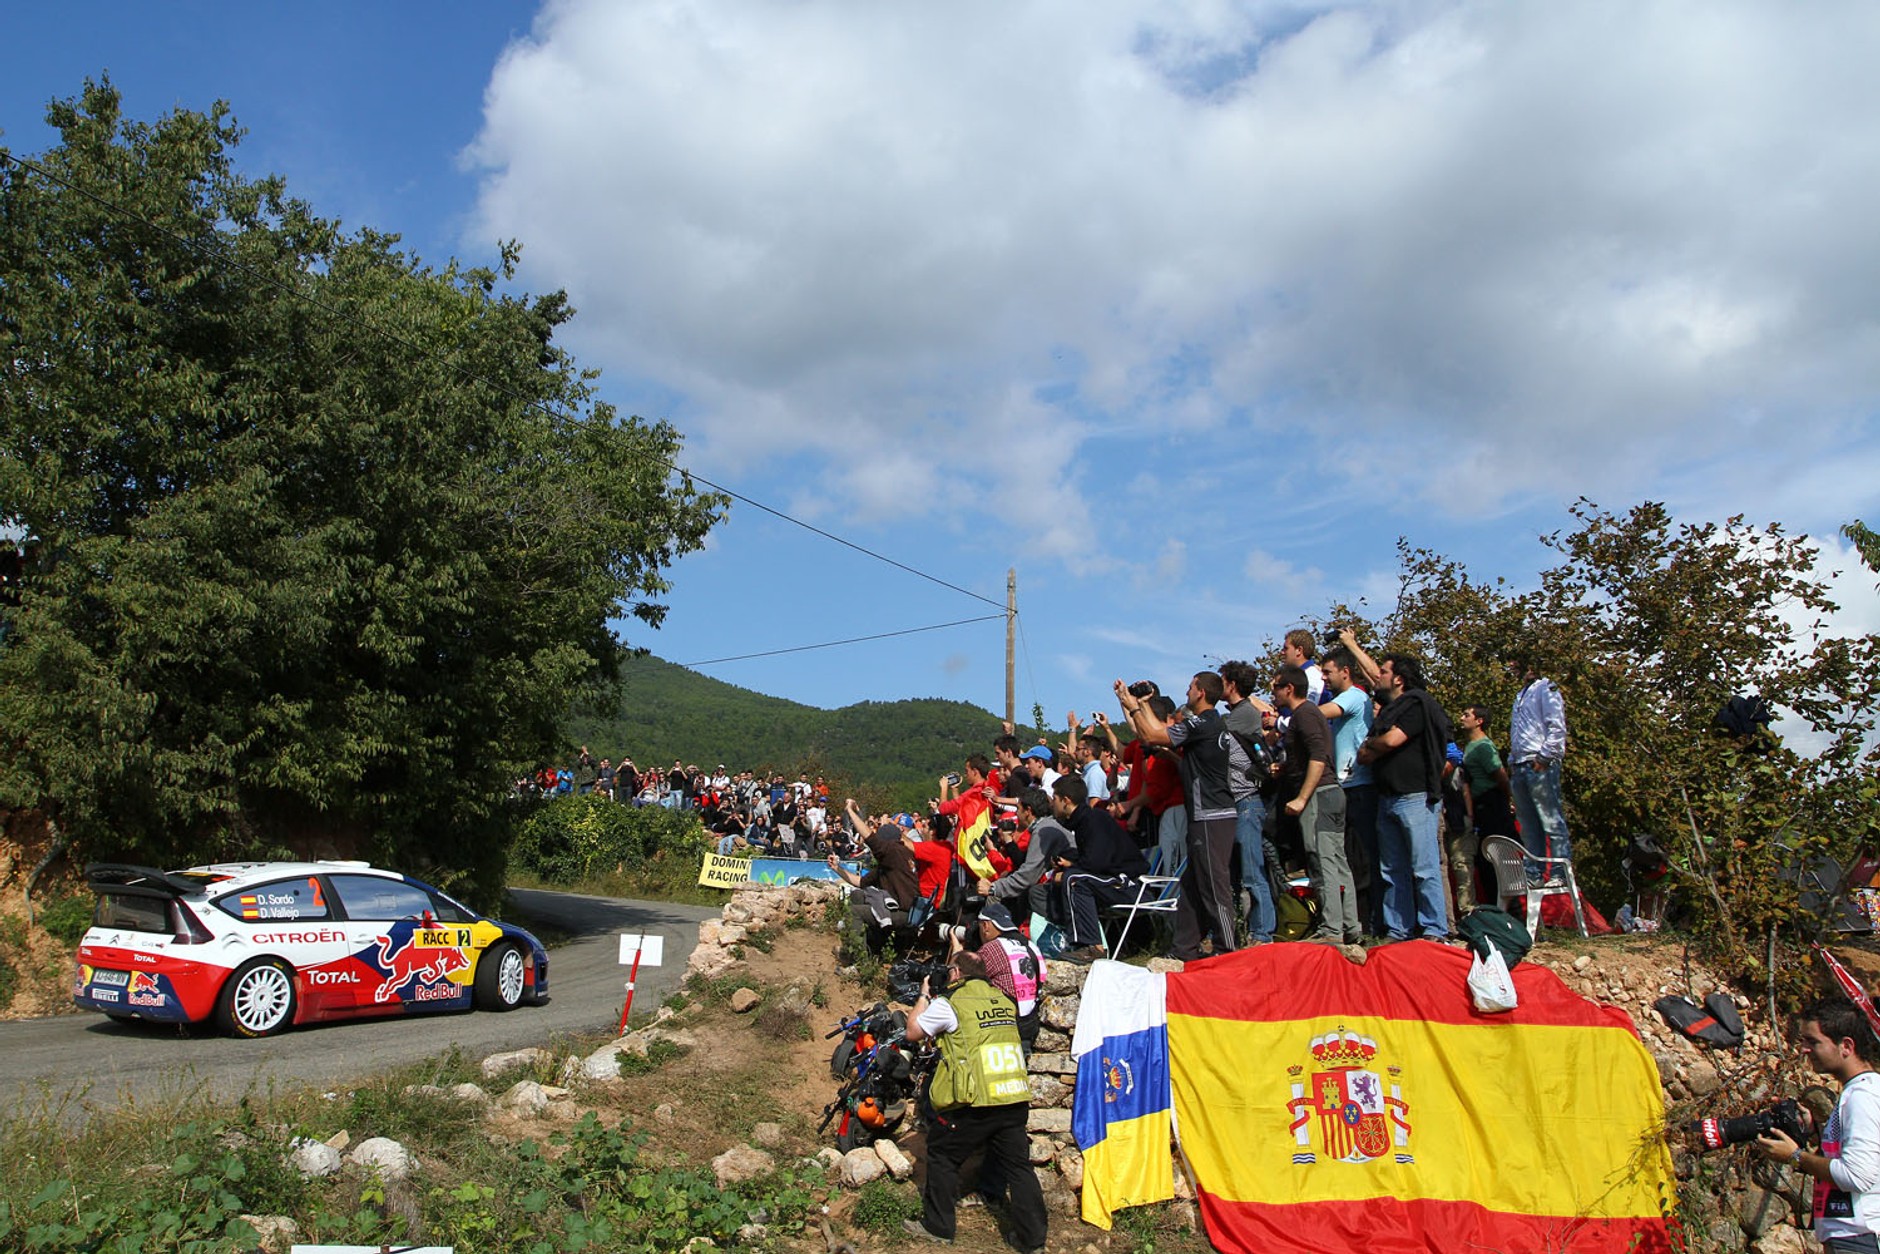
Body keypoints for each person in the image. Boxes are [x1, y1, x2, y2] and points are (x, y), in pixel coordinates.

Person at [903, 950, 1048, 1252]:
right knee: (1019, 1168)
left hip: (975, 1101)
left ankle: (938, 1226)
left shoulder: (950, 1003)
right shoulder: (1003, 1001)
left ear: (955, 974)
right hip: (1014, 1098)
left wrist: (924, 996)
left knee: (942, 1154)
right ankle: (1032, 1241)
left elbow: (913, 1032)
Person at [1117, 672, 1240, 962]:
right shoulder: (1208, 724)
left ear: (1201, 693)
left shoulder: (1202, 723)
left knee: (1213, 883)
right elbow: (1161, 734)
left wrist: (1131, 705)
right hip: (1204, 813)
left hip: (1211, 813)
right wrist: (1145, 704)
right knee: (1193, 884)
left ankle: (1226, 950)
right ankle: (1184, 948)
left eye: (1190, 687)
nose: (1186, 691)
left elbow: (1152, 735)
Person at [1757, 1000, 1880, 1251]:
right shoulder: (1861, 1092)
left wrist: (1795, 1156)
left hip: (1858, 1238)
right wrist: (1817, 1131)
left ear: (1846, 1046)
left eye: (1813, 1042)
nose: (1803, 1049)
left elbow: (1856, 1176)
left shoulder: (1862, 1097)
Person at [1357, 653, 1452, 942]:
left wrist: (1374, 744)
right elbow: (1364, 755)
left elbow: (1390, 740)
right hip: (1387, 798)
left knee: (1423, 868)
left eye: (1384, 672)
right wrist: (1374, 745)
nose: (1379, 677)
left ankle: (1434, 930)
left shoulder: (1417, 704)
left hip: (1415, 797)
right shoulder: (1388, 711)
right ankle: (1399, 930)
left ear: (1398, 678)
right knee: (1392, 871)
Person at [1275, 664, 1356, 944]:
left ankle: (1332, 930)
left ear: (1289, 688)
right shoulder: (1308, 714)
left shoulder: (1304, 714)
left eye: (1276, 687)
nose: (1273, 693)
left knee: (1323, 862)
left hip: (1320, 795)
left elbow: (1318, 757)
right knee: (1337, 860)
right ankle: (1350, 927)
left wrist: (1301, 797)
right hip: (1328, 792)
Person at [1051, 774, 1147, 962]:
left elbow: (1097, 863)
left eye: (1054, 798)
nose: (1052, 803)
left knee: (1073, 880)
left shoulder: (1093, 820)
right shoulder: (1084, 821)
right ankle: (1071, 940)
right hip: (1115, 879)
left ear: (1066, 800)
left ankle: (1092, 946)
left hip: (1130, 885)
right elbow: (1096, 858)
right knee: (1067, 877)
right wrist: (1070, 862)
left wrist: (1070, 869)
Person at [1321, 646, 1382, 938]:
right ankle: (1357, 921)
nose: (1325, 679)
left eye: (1328, 672)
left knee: (1363, 858)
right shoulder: (1345, 698)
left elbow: (1320, 713)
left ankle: (1370, 922)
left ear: (1345, 672)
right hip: (1347, 786)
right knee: (1350, 858)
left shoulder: (1355, 697)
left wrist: (1293, 711)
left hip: (1360, 786)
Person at [1218, 660, 1277, 944]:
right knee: (1238, 873)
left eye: (1221, 681)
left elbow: (1213, 740)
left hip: (1246, 800)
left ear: (1231, 684)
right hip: (1236, 803)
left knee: (1252, 871)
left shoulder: (1243, 714)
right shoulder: (1241, 712)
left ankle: (1262, 933)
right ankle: (1244, 933)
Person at [1509, 657, 1572, 879]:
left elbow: (1556, 726)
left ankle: (1560, 872)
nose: (1512, 667)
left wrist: (1544, 757)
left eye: (1514, 662)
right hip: (1519, 763)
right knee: (1528, 826)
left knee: (1551, 821)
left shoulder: (1546, 686)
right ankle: (1533, 873)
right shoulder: (1521, 694)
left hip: (1538, 763)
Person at [826, 818, 920, 954]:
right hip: (895, 907)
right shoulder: (889, 862)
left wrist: (851, 812)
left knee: (854, 912)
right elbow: (861, 882)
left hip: (904, 912)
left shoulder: (894, 852)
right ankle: (868, 947)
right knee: (857, 895)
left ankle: (859, 960)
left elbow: (872, 840)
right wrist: (837, 868)